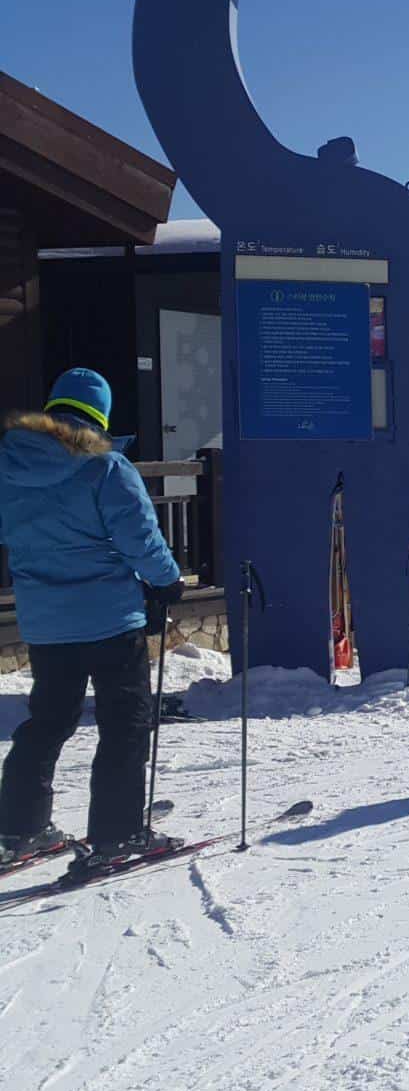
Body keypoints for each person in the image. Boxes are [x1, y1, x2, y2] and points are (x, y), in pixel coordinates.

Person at [0, 369, 185, 872]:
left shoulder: (9, 464)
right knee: (124, 724)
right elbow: (139, 539)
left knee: (47, 722)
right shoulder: (105, 467)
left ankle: (20, 829)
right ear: (100, 415)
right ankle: (118, 833)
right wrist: (167, 582)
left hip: (45, 624)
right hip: (109, 620)